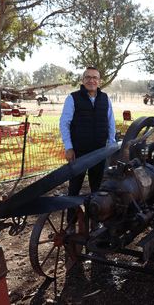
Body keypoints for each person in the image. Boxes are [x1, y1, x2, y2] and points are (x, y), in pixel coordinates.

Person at [59, 66, 116, 230]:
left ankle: (95, 220)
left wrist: (110, 145)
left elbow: (110, 122)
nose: (91, 80)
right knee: (74, 189)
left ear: (99, 81)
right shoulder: (73, 98)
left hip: (99, 151)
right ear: (83, 81)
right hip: (79, 152)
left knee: (96, 188)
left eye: (95, 78)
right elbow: (64, 124)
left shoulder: (105, 98)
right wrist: (69, 148)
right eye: (88, 77)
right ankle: (70, 224)